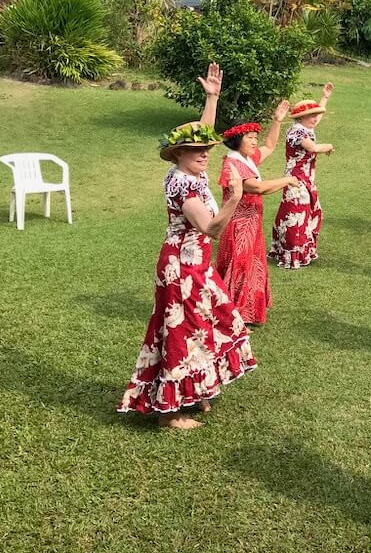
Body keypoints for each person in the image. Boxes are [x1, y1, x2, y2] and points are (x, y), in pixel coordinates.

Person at [118, 64, 256, 430]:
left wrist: (212, 96)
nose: (204, 152)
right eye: (194, 150)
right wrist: (234, 198)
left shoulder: (194, 172)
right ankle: (170, 411)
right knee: (181, 330)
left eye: (205, 149)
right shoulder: (183, 184)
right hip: (181, 267)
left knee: (216, 319)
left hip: (197, 265)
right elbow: (210, 227)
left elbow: (205, 131)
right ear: (177, 154)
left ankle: (200, 388)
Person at [215, 101, 301, 326]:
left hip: (252, 223)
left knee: (252, 266)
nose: (255, 141)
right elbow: (258, 188)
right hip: (238, 225)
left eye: (255, 137)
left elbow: (271, 145)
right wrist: (288, 180)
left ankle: (247, 312)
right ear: (237, 140)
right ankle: (231, 316)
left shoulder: (246, 159)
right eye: (250, 138)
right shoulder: (232, 165)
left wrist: (277, 120)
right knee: (239, 268)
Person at [270, 83, 335, 269]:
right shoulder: (297, 131)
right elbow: (313, 148)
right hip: (296, 178)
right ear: (301, 117)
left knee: (307, 212)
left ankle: (301, 249)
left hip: (307, 177)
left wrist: (325, 97)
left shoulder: (305, 127)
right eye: (311, 116)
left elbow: (318, 117)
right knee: (295, 214)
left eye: (315, 115)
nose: (315, 118)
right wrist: (328, 146)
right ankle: (292, 253)